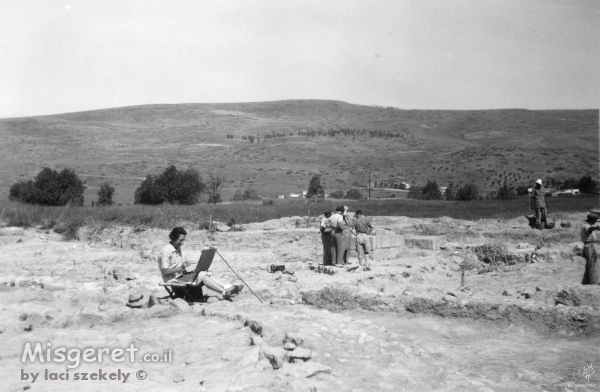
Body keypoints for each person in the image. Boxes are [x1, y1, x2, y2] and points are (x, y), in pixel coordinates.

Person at [159, 227, 244, 300]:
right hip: (173, 279)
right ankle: (224, 292)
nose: (182, 243)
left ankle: (226, 287)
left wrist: (185, 268)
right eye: (180, 240)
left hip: (180, 276)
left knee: (204, 272)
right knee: (201, 275)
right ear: (173, 238)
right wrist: (181, 267)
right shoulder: (166, 251)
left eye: (183, 240)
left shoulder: (177, 248)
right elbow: (165, 272)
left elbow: (177, 267)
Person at [580, 211, 600, 285]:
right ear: (592, 220)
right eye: (595, 221)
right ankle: (594, 282)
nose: (595, 222)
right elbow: (589, 229)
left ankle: (586, 282)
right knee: (593, 265)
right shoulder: (586, 226)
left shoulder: (586, 225)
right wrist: (596, 228)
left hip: (590, 246)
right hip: (589, 247)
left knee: (590, 265)